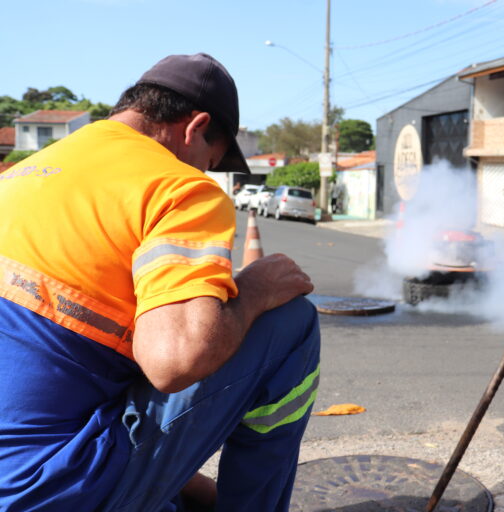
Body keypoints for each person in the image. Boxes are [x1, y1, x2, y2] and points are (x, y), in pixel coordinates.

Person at [0, 53, 320, 512]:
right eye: (208, 161)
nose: (204, 172)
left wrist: (192, 492)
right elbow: (174, 365)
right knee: (293, 321)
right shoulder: (178, 187)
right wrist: (255, 291)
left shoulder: (26, 173)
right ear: (196, 127)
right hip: (47, 490)